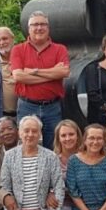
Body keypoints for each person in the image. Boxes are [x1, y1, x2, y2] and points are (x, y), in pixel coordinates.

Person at [10, 11, 70, 148]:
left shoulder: (60, 49)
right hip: (27, 105)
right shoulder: (18, 49)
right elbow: (18, 76)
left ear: (48, 28)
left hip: (52, 106)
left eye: (43, 24)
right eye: (35, 24)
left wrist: (34, 71)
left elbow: (64, 72)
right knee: (26, 146)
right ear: (29, 28)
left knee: (54, 146)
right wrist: (52, 73)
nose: (39, 28)